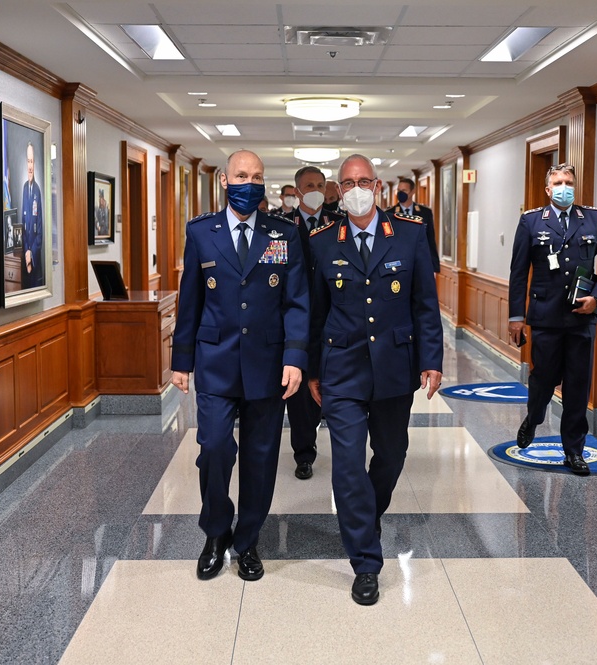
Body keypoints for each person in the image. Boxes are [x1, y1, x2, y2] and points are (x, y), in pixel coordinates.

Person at [307, 154, 443, 605]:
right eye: (348, 184)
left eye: (365, 181)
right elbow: (314, 312)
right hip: (341, 370)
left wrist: (432, 360)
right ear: (339, 191)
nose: (357, 189)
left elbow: (425, 303)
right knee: (346, 466)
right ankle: (366, 562)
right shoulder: (323, 241)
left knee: (391, 454)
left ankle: (368, 513)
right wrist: (311, 369)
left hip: (394, 368)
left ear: (379, 186)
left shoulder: (409, 234)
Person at [171, 149, 309, 582]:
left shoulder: (283, 233)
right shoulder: (202, 232)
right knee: (214, 448)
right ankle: (215, 533)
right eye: (242, 175)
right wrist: (182, 360)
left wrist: (294, 358)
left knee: (261, 457)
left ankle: (247, 540)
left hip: (268, 366)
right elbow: (189, 301)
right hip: (215, 363)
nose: (250, 183)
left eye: (258, 177)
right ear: (226, 181)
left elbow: (297, 302)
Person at [508, 163, 597, 476]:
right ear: (547, 189)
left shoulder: (594, 218)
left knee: (577, 386)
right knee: (543, 381)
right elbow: (518, 273)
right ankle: (534, 416)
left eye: (568, 182)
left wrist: (596, 299)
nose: (563, 187)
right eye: (557, 182)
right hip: (544, 317)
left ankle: (574, 451)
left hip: (581, 319)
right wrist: (516, 317)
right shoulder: (531, 221)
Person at [284, 165, 342, 480]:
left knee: (330, 383)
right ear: (297, 191)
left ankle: (340, 440)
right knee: (300, 394)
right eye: (309, 185)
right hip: (296, 321)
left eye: (321, 184)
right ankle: (304, 453)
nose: (316, 189)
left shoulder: (339, 225)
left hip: (333, 319)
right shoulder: (283, 227)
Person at [386, 178, 440, 274]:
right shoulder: (389, 214)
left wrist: (434, 266)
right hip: (399, 263)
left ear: (412, 192)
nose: (400, 193)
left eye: (404, 191)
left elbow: (430, 239)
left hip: (421, 263)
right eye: (399, 190)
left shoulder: (425, 212)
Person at [20, 143, 44, 289]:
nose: (30, 166)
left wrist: (32, 254)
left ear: (34, 163)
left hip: (34, 258)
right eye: (28, 161)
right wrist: (26, 252)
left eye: (32, 161)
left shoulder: (37, 190)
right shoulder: (24, 188)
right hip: (26, 255)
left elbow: (40, 232)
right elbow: (23, 224)